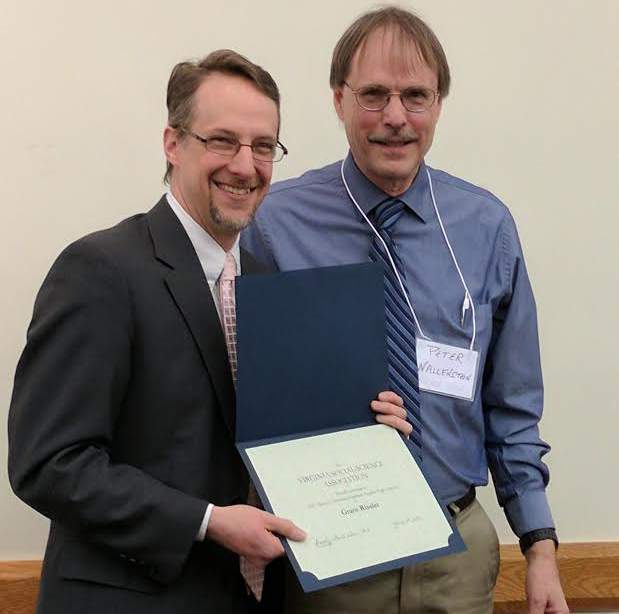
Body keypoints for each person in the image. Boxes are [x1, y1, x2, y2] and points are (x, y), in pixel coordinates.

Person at [8, 49, 410, 614]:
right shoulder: (100, 270)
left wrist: (363, 429)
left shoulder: (270, 285)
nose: (245, 166)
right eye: (222, 140)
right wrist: (207, 522)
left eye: (263, 146)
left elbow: (279, 438)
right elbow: (48, 464)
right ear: (173, 144)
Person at [242, 7, 568, 614]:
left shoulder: (486, 228)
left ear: (438, 104)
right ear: (338, 100)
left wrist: (540, 546)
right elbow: (250, 397)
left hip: (458, 555)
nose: (395, 117)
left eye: (415, 96)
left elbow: (512, 407)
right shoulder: (274, 226)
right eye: (373, 95)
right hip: (330, 554)